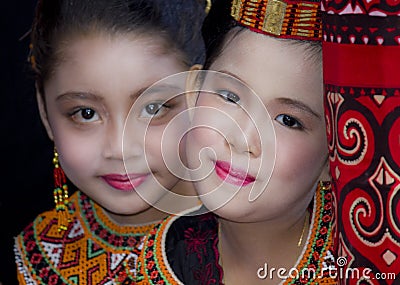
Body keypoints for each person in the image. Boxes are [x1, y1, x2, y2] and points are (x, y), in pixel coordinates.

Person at [136, 0, 337, 284]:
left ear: (332, 156)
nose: (242, 139)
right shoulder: (148, 266)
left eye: (288, 121)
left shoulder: (364, 267)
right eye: (230, 97)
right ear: (192, 94)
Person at [14, 0, 208, 284]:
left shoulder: (258, 241)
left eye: (153, 108)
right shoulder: (37, 254)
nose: (120, 149)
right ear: (44, 111)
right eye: (86, 113)